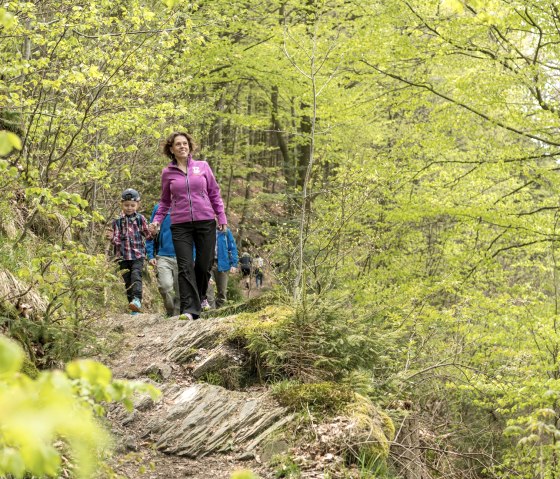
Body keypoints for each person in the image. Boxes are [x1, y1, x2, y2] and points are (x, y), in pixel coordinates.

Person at [149, 131, 227, 320]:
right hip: (180, 224)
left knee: (203, 264)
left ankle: (200, 296)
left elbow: (214, 193)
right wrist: (157, 220)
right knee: (185, 266)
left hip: (205, 220)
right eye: (178, 144)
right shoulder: (168, 173)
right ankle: (189, 310)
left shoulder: (203, 167)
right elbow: (165, 201)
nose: (182, 146)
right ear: (171, 149)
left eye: (185, 143)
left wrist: (221, 217)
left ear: (190, 146)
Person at [111, 188, 151, 315]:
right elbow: (116, 238)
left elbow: (148, 234)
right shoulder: (117, 220)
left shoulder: (140, 219)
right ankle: (133, 307)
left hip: (137, 254)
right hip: (122, 256)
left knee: (136, 276)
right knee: (127, 281)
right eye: (126, 205)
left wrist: (153, 232)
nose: (129, 208)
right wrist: (112, 238)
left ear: (137, 205)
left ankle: (137, 299)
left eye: (132, 205)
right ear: (122, 204)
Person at [146, 203, 180, 317]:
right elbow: (150, 233)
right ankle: (170, 312)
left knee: (181, 290)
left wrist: (194, 256)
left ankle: (178, 317)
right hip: (163, 255)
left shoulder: (187, 205)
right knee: (165, 287)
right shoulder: (159, 208)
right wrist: (150, 255)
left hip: (183, 256)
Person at [207, 227, 239, 308]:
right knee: (208, 291)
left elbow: (232, 248)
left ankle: (219, 312)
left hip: (223, 264)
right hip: (208, 264)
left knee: (222, 292)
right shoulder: (206, 230)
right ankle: (212, 313)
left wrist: (233, 264)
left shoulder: (226, 232)